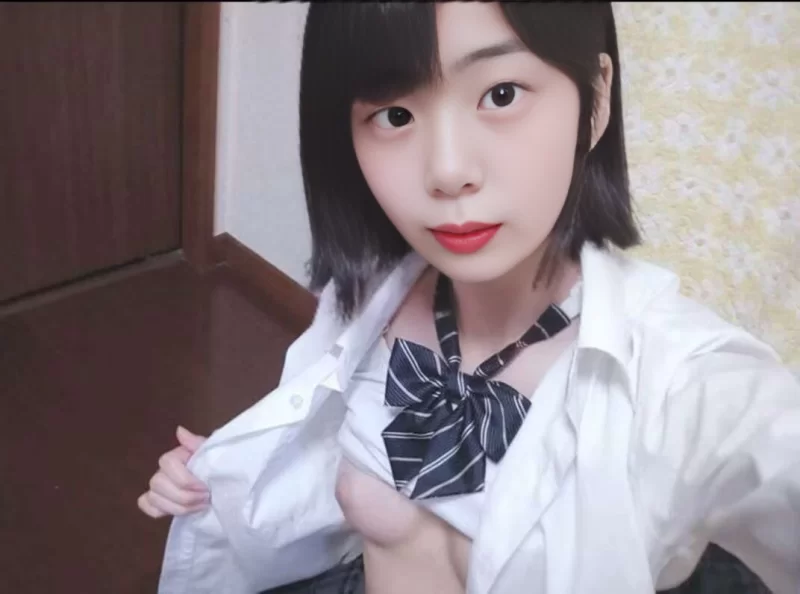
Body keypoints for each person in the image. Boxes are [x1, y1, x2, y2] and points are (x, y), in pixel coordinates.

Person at [139, 3, 800, 593]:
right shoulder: (368, 297)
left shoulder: (678, 380)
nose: (448, 170)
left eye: (501, 94)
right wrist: (228, 474)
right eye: (395, 115)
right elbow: (317, 459)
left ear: (596, 99)